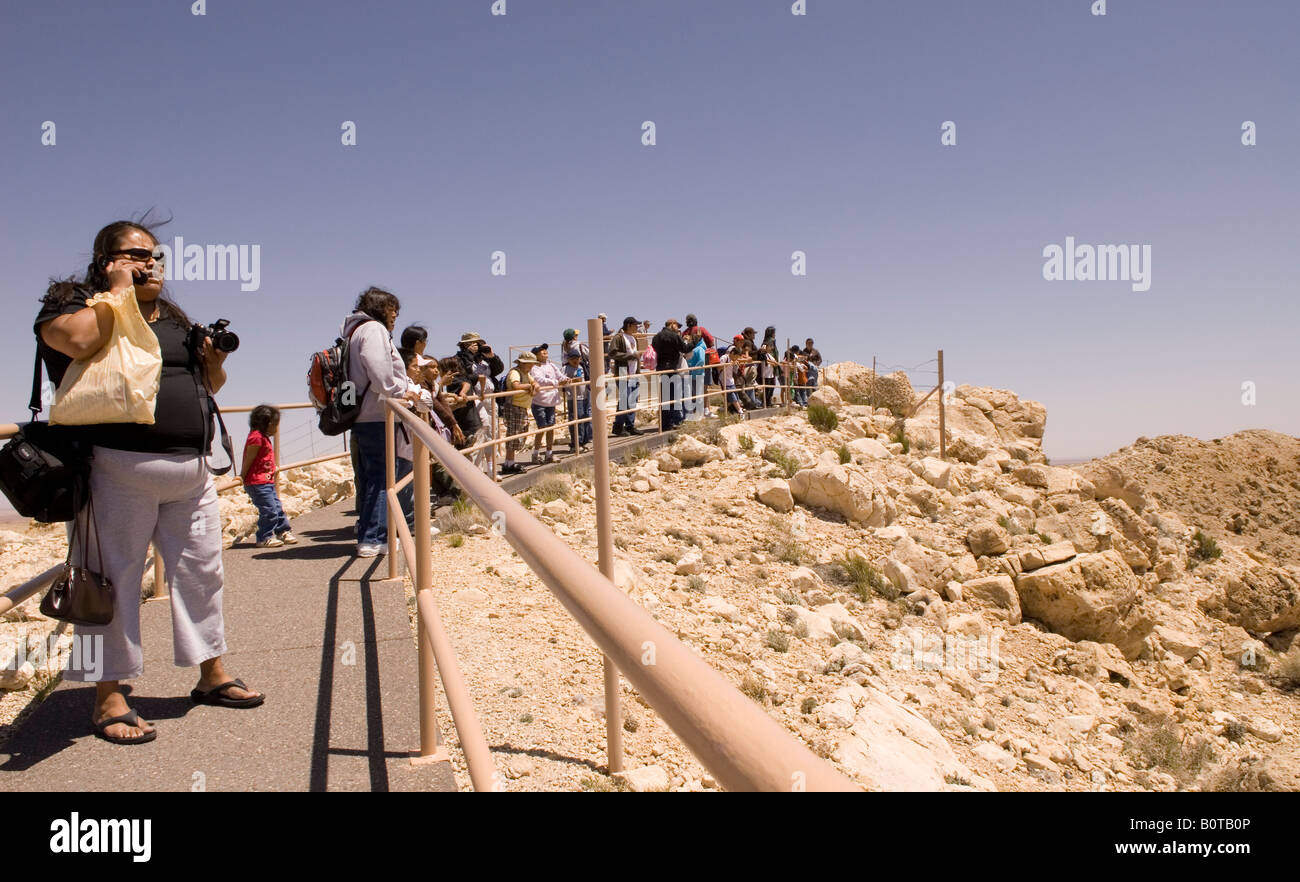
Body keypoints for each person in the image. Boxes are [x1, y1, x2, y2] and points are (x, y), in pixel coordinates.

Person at [35, 218, 263, 745]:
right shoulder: (75, 301)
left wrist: (215, 361)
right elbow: (76, 340)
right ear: (104, 259)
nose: (149, 264)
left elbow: (207, 384)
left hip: (190, 470)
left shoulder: (174, 319)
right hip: (114, 467)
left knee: (203, 575)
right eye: (136, 255)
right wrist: (117, 292)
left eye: (155, 256)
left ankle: (211, 674)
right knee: (108, 583)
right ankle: (109, 698)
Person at [341, 287, 422, 557]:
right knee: (381, 477)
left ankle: (369, 531)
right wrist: (401, 392)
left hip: (362, 414)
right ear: (380, 308)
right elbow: (378, 369)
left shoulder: (353, 330)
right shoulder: (373, 329)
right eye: (392, 310)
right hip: (378, 414)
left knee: (369, 476)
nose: (395, 316)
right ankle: (374, 538)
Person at [241, 405, 297, 548]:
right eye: (276, 425)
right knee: (269, 509)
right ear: (269, 424)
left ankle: (282, 531)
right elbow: (249, 458)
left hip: (266, 481)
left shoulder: (263, 437)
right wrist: (241, 476)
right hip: (256, 482)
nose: (277, 429)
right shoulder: (256, 438)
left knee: (277, 507)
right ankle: (264, 537)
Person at [527, 343, 567, 463]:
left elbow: (560, 376)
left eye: (545, 351)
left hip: (551, 401)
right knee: (542, 428)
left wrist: (565, 379)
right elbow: (539, 380)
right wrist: (555, 382)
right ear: (536, 355)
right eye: (542, 351)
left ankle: (549, 453)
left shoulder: (551, 365)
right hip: (540, 402)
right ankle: (535, 453)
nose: (545, 352)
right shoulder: (534, 368)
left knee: (551, 428)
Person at [500, 352, 538, 475]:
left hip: (522, 407)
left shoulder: (526, 373)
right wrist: (529, 386)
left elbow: (534, 383)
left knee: (520, 434)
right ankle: (508, 464)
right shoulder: (515, 373)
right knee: (514, 434)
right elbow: (515, 385)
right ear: (523, 363)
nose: (532, 366)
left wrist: (534, 385)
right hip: (514, 406)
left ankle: (509, 462)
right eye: (531, 364)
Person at [606, 316, 643, 436]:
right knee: (625, 400)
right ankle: (618, 426)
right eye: (635, 325)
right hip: (623, 372)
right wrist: (630, 356)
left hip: (633, 373)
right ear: (628, 325)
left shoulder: (633, 338)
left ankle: (630, 426)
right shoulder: (618, 337)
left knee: (632, 400)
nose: (637, 327)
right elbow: (612, 353)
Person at [651, 318, 687, 430]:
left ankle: (665, 423)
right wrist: (694, 341)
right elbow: (685, 348)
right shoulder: (674, 336)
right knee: (673, 397)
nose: (678, 328)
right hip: (672, 369)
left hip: (662, 369)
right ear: (672, 324)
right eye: (677, 326)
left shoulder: (657, 337)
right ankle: (672, 422)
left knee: (665, 397)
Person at [562, 347, 591, 451]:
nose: (575, 360)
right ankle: (575, 444)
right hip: (574, 398)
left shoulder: (583, 367)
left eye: (577, 358)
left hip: (585, 396)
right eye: (572, 358)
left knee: (585, 419)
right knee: (576, 420)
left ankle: (583, 442)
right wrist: (573, 381)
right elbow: (561, 382)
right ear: (568, 359)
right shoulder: (566, 369)